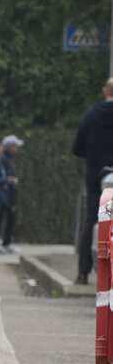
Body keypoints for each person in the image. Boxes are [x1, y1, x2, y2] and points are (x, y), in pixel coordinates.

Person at [73, 78, 113, 284]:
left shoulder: (91, 114)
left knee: (92, 219)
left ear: (105, 91)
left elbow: (77, 148)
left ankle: (83, 272)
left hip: (96, 175)